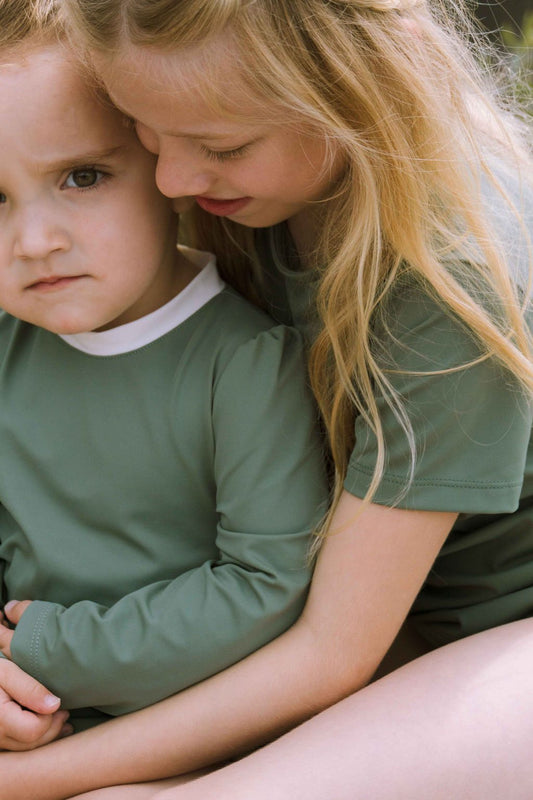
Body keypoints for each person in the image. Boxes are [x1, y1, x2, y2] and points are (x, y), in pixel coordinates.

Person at [0, 0, 532, 797]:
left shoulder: (445, 279)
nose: (172, 180)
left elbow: (330, 648)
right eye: (145, 130)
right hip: (343, 622)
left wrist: (35, 777)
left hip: (484, 643)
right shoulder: (255, 193)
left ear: (353, 93)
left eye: (220, 145)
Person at [0, 0, 327, 746]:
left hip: (209, 731)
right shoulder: (8, 349)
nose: (36, 240)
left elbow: (266, 587)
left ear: (165, 164)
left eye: (82, 176)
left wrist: (48, 658)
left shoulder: (245, 361)